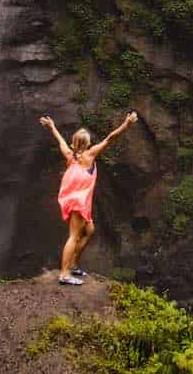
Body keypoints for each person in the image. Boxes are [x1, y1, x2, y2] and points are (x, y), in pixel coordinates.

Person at [39, 111, 138, 286]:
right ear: (88, 143)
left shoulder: (70, 155)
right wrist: (126, 125)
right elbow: (110, 138)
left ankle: (73, 264)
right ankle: (64, 273)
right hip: (78, 202)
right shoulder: (89, 155)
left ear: (74, 143)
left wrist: (52, 126)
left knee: (89, 230)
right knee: (73, 236)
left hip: (78, 201)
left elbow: (60, 140)